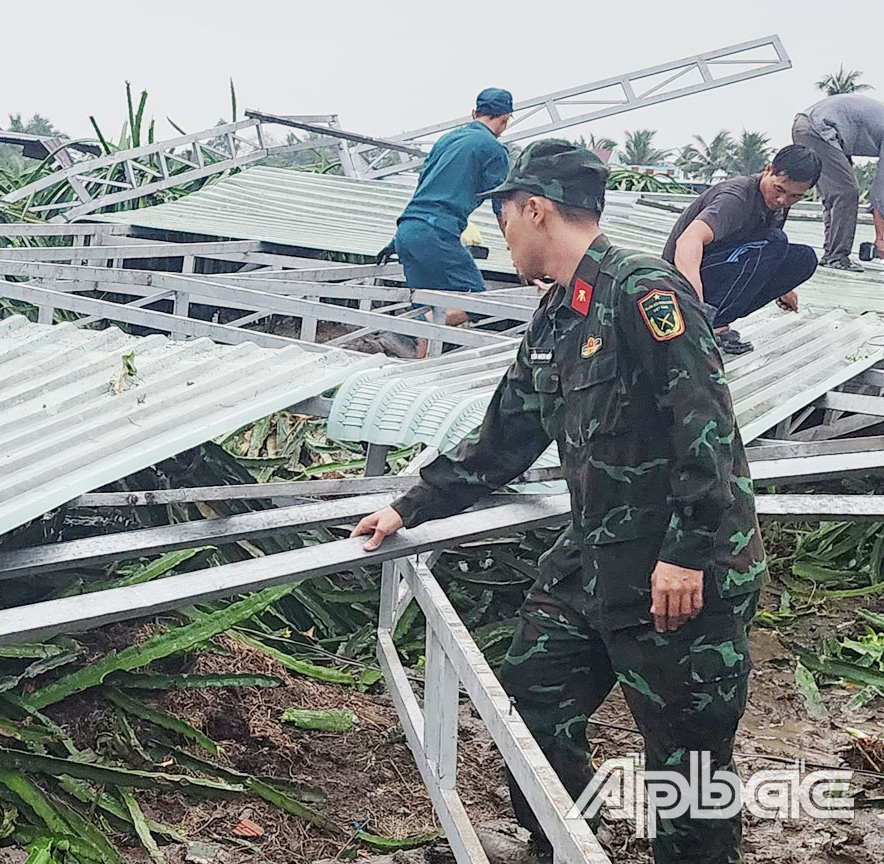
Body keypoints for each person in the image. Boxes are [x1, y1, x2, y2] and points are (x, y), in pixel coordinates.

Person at [353, 141, 764, 864]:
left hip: (683, 571)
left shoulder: (646, 294)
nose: (502, 234)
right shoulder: (557, 316)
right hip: (595, 560)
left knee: (688, 765)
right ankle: (566, 844)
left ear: (535, 208)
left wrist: (685, 555)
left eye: (505, 216)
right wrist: (410, 505)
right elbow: (503, 437)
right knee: (532, 698)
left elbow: (709, 436)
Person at [377, 88, 513, 358]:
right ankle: (405, 332)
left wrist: (397, 241)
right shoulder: (493, 149)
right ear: (506, 118)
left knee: (431, 303)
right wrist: (516, 249)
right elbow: (502, 205)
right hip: (437, 233)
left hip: (407, 231)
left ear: (474, 113)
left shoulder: (446, 140)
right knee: (477, 302)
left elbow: (424, 188)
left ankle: (414, 362)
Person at [662, 145, 821, 354]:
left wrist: (782, 288)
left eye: (795, 196)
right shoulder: (735, 197)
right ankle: (713, 324)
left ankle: (720, 317)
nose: (783, 200)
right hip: (680, 280)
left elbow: (756, 248)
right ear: (768, 169)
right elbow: (688, 241)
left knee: (804, 259)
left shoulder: (779, 204)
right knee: (777, 241)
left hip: (721, 270)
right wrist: (696, 303)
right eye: (779, 189)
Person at [790, 94, 884, 271]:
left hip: (810, 126)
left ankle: (831, 254)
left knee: (836, 194)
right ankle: (837, 257)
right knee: (846, 192)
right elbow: (881, 195)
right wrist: (880, 239)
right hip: (819, 129)